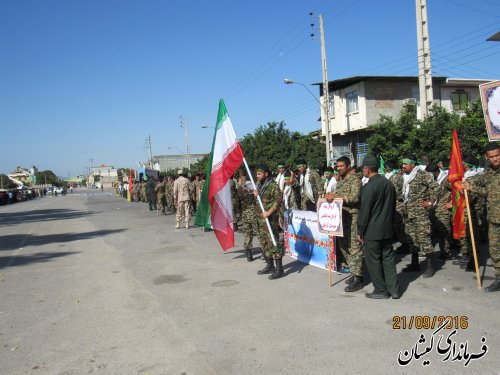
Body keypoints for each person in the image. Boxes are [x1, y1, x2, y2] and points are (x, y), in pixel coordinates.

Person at [357, 155, 399, 299]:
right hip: (387, 228)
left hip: (372, 230)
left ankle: (380, 290)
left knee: (373, 260)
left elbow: (365, 211)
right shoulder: (388, 183)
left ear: (367, 169)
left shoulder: (369, 187)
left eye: (363, 167)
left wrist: (360, 231)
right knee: (388, 258)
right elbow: (393, 207)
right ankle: (394, 289)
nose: (363, 170)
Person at [462, 142, 500, 292]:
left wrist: (473, 188)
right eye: (492, 157)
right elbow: (488, 190)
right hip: (494, 218)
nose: (495, 159)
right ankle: (499, 277)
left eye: (497, 155)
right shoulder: (489, 172)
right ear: (486, 157)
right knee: (495, 250)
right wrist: (469, 185)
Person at [401, 155, 438, 277]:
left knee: (424, 238)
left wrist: (430, 202)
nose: (403, 166)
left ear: (413, 164)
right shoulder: (405, 177)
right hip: (408, 213)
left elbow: (435, 187)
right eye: (403, 164)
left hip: (420, 214)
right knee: (412, 239)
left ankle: (430, 266)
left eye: (406, 164)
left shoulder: (423, 175)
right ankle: (414, 263)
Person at [333, 156, 363, 292]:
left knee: (354, 247)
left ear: (348, 166)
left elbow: (355, 198)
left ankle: (358, 278)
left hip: (352, 218)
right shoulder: (339, 182)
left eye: (341, 166)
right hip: (341, 218)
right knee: (343, 246)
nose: (339, 169)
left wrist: (337, 198)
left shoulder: (355, 179)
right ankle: (353, 271)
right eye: (337, 166)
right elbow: (335, 198)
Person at [253, 164, 284, 279]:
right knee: (264, 243)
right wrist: (256, 195)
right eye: (256, 174)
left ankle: (279, 269)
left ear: (266, 174)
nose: (257, 176)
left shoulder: (272, 185)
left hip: (270, 219)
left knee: (273, 242)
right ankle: (270, 265)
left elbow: (279, 199)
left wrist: (269, 212)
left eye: (259, 173)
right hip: (260, 219)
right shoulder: (259, 185)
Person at [238, 173, 258, 261]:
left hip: (247, 213)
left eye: (241, 177)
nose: (240, 178)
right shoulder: (253, 186)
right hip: (252, 213)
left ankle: (249, 254)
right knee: (258, 232)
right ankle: (264, 254)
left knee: (248, 233)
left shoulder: (243, 188)